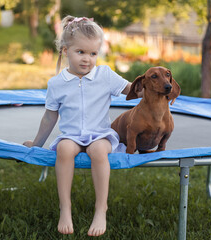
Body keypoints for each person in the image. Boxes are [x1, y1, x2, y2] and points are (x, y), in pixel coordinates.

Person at [23, 15, 133, 237]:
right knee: (64, 149)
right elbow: (49, 118)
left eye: (93, 53)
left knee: (98, 150)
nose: (87, 59)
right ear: (65, 51)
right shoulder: (57, 84)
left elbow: (132, 89)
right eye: (80, 52)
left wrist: (151, 84)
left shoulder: (105, 75)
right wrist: (36, 144)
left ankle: (101, 208)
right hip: (72, 136)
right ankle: (65, 208)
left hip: (100, 134)